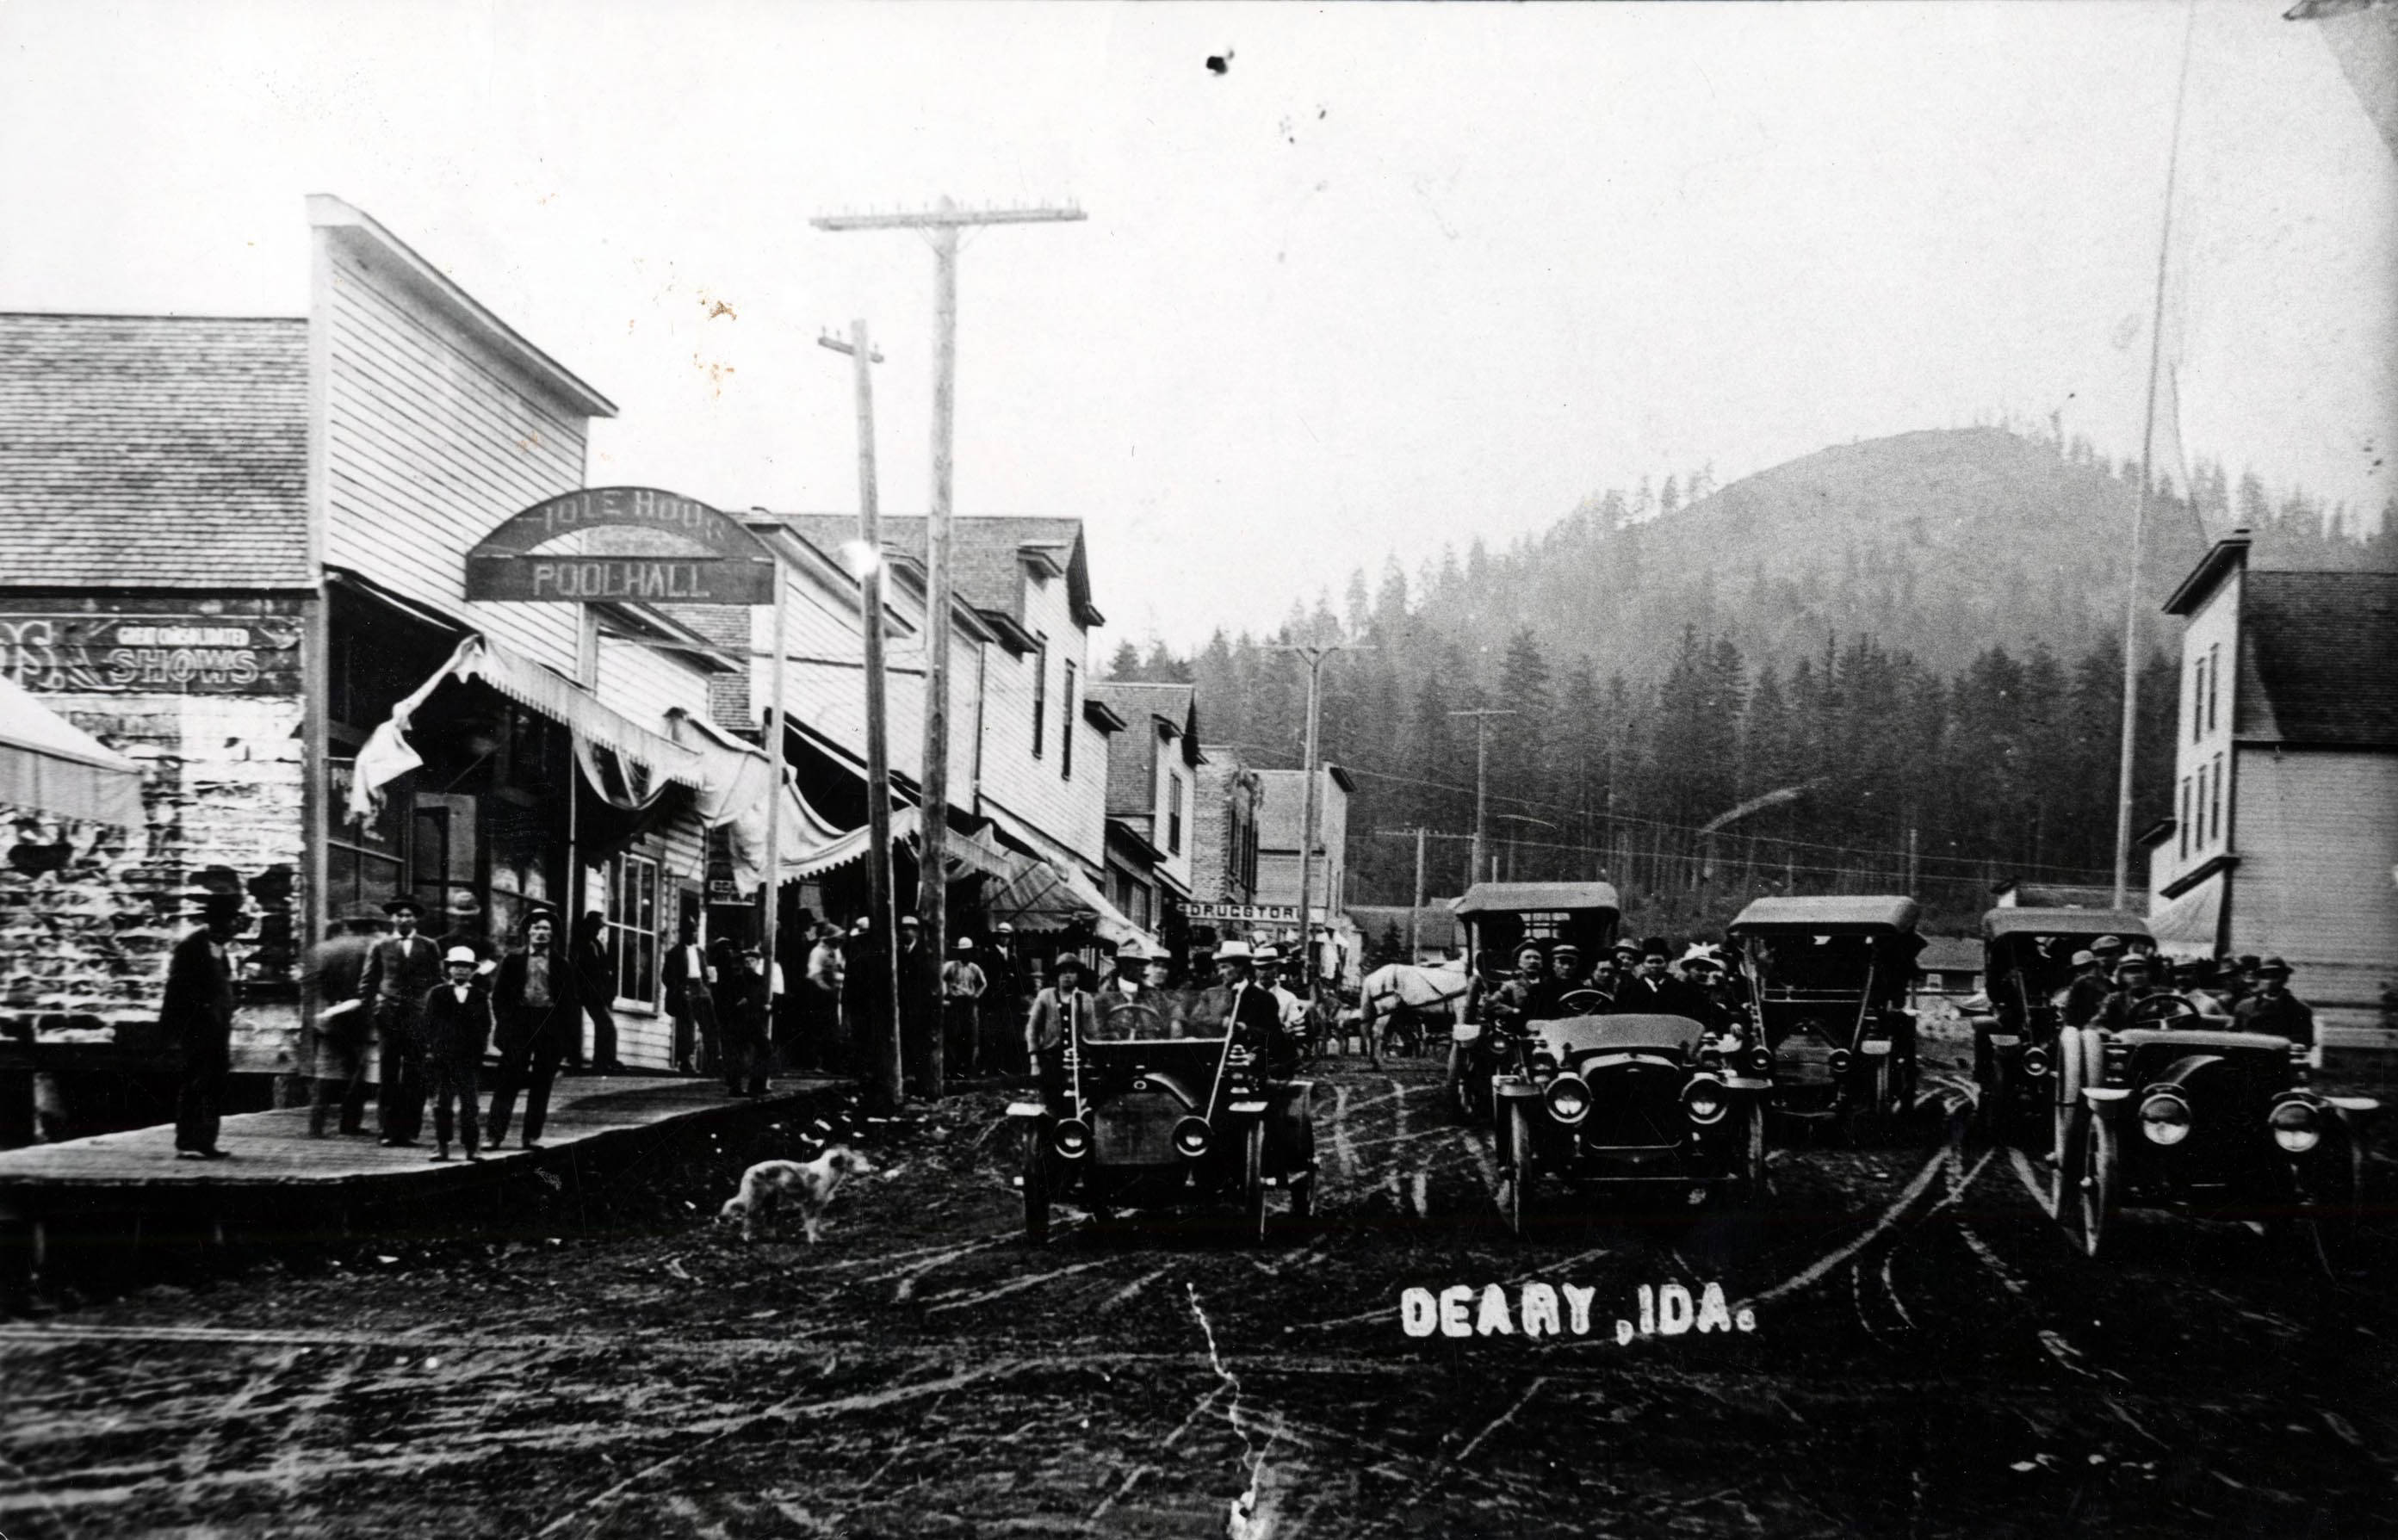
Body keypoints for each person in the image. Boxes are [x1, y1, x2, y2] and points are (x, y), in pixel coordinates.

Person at [487, 908, 579, 1149]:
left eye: (546, 929)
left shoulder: (562, 965)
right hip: (519, 1024)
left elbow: (570, 1004)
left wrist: (567, 1039)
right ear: (528, 931)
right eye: (537, 928)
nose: (541, 933)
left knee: (542, 1084)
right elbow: (499, 997)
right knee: (508, 1080)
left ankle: (530, 1136)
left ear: (552, 934)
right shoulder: (513, 960)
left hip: (549, 1026)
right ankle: (494, 1136)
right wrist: (507, 1024)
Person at [165, 879, 244, 1160]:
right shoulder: (191, 948)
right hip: (197, 1029)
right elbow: (177, 989)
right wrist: (182, 1026)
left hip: (218, 1028)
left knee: (214, 1084)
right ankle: (188, 1140)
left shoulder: (220, 950)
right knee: (196, 1083)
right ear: (217, 923)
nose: (234, 929)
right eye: (231, 923)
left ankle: (206, 1140)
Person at [358, 896, 443, 1147]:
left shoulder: (429, 946)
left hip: (418, 1017)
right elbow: (367, 982)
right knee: (388, 1074)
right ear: (392, 919)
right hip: (388, 1017)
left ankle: (409, 1131)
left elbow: (436, 981)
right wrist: (374, 1009)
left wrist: (429, 1009)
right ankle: (387, 1130)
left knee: (415, 1073)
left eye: (409, 915)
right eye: (400, 915)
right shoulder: (380, 946)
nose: (404, 919)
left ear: (416, 919)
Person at [302, 901, 381, 1137]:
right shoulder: (375, 948)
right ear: (372, 925)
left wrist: (329, 1004)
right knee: (357, 1074)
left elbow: (309, 982)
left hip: (329, 1018)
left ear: (347, 924)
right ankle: (350, 1124)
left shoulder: (323, 949)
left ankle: (316, 1125)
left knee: (326, 1074)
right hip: (362, 1018)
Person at [418, 945, 490, 1160]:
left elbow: (484, 1025)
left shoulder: (479, 995)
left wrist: (479, 1051)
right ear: (449, 969)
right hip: (443, 1057)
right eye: (457, 966)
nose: (461, 971)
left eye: (466, 967)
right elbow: (428, 1024)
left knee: (470, 1104)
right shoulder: (438, 993)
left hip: (468, 1058)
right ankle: (442, 1145)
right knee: (443, 1103)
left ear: (472, 971)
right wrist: (431, 1050)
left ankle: (472, 1146)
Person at [1024, 954, 1096, 1098]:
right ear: (1057, 975)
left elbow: (1092, 1031)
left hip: (1079, 1059)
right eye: (1063, 972)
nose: (1067, 976)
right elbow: (1032, 1029)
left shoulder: (1086, 998)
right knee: (1052, 1099)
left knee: (1081, 1099)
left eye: (1071, 972)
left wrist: (1092, 1059)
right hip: (1052, 1059)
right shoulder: (1045, 996)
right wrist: (1034, 1062)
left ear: (1078, 976)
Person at [568, 912, 623, 1073]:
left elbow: (604, 967)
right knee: (607, 1025)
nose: (598, 930)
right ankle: (606, 1060)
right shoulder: (580, 944)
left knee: (603, 1025)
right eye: (596, 927)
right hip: (587, 991)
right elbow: (576, 968)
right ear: (589, 925)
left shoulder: (597, 944)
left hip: (599, 992)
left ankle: (602, 1062)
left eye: (599, 928)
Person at [664, 918, 716, 1076]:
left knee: (710, 1023)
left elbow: (704, 972)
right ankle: (685, 1061)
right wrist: (679, 990)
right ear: (682, 933)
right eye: (688, 931)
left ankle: (712, 1062)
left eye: (694, 930)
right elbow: (667, 976)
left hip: (700, 987)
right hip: (685, 988)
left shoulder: (700, 952)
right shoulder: (674, 953)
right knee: (687, 1026)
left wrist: (706, 987)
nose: (691, 934)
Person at [2234, 956, 2315, 1048]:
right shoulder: (2244, 1006)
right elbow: (2233, 1035)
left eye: (2275, 976)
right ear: (2258, 979)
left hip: (2279, 1058)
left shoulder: (2299, 1010)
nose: (2269, 981)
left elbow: (2305, 1040)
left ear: (2285, 979)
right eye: (2264, 976)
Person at [1612, 937, 1704, 1017]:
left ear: (1667, 964)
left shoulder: (1681, 989)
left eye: (1659, 962)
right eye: (1650, 962)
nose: (1654, 966)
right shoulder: (1629, 990)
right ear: (1643, 964)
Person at [942, 936, 988, 1078]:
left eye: (968, 951)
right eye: (963, 951)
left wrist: (976, 995)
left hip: (969, 1003)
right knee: (954, 1034)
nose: (965, 954)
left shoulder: (974, 968)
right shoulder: (951, 966)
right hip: (955, 1002)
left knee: (970, 1035)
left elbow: (983, 983)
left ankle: (968, 1067)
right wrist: (946, 995)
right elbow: (942, 979)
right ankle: (953, 1068)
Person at [803, 921, 845, 1073]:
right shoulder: (818, 952)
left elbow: (838, 967)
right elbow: (814, 974)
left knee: (832, 1028)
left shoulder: (835, 951)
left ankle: (831, 1063)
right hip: (819, 994)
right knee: (819, 1027)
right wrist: (825, 988)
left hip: (832, 992)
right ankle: (817, 1063)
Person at [2092, 952, 2169, 1030]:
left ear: (2148, 973)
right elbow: (2097, 1023)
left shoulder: (2162, 998)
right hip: (2126, 1041)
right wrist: (2103, 1031)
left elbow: (2178, 1019)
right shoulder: (2114, 999)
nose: (2136, 976)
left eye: (2140, 971)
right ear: (2122, 976)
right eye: (2130, 972)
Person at [2057, 949, 2110, 1028]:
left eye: (2087, 968)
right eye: (2079, 970)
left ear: (2097, 968)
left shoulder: (2108, 987)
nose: (2083, 973)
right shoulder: (2067, 994)